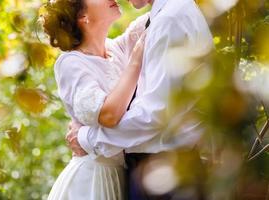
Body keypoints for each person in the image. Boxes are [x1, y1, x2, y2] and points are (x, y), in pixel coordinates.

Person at [65, 0, 214, 199]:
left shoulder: (168, 19)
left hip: (166, 172)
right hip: (144, 171)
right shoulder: (165, 15)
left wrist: (86, 138)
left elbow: (154, 115)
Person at [41, 0, 149, 199]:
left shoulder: (116, 49)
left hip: (122, 174)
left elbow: (160, 15)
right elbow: (107, 115)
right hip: (92, 180)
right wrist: (135, 61)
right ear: (83, 17)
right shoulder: (71, 62)